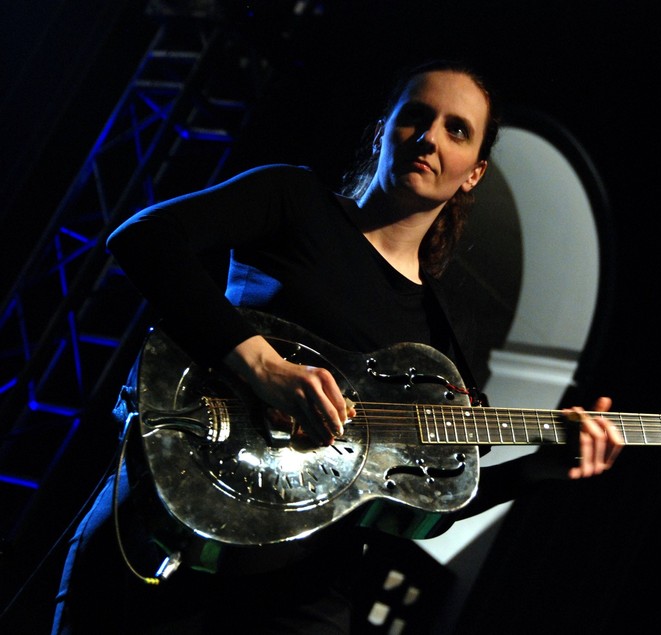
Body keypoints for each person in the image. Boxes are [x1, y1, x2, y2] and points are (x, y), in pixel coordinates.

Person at [51, 59, 624, 634]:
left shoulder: (443, 335)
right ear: (383, 130)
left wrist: (537, 469)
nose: (429, 137)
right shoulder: (294, 199)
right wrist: (265, 367)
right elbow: (144, 238)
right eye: (416, 116)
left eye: (457, 130)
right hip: (176, 513)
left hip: (303, 589)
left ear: (474, 173)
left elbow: (419, 500)